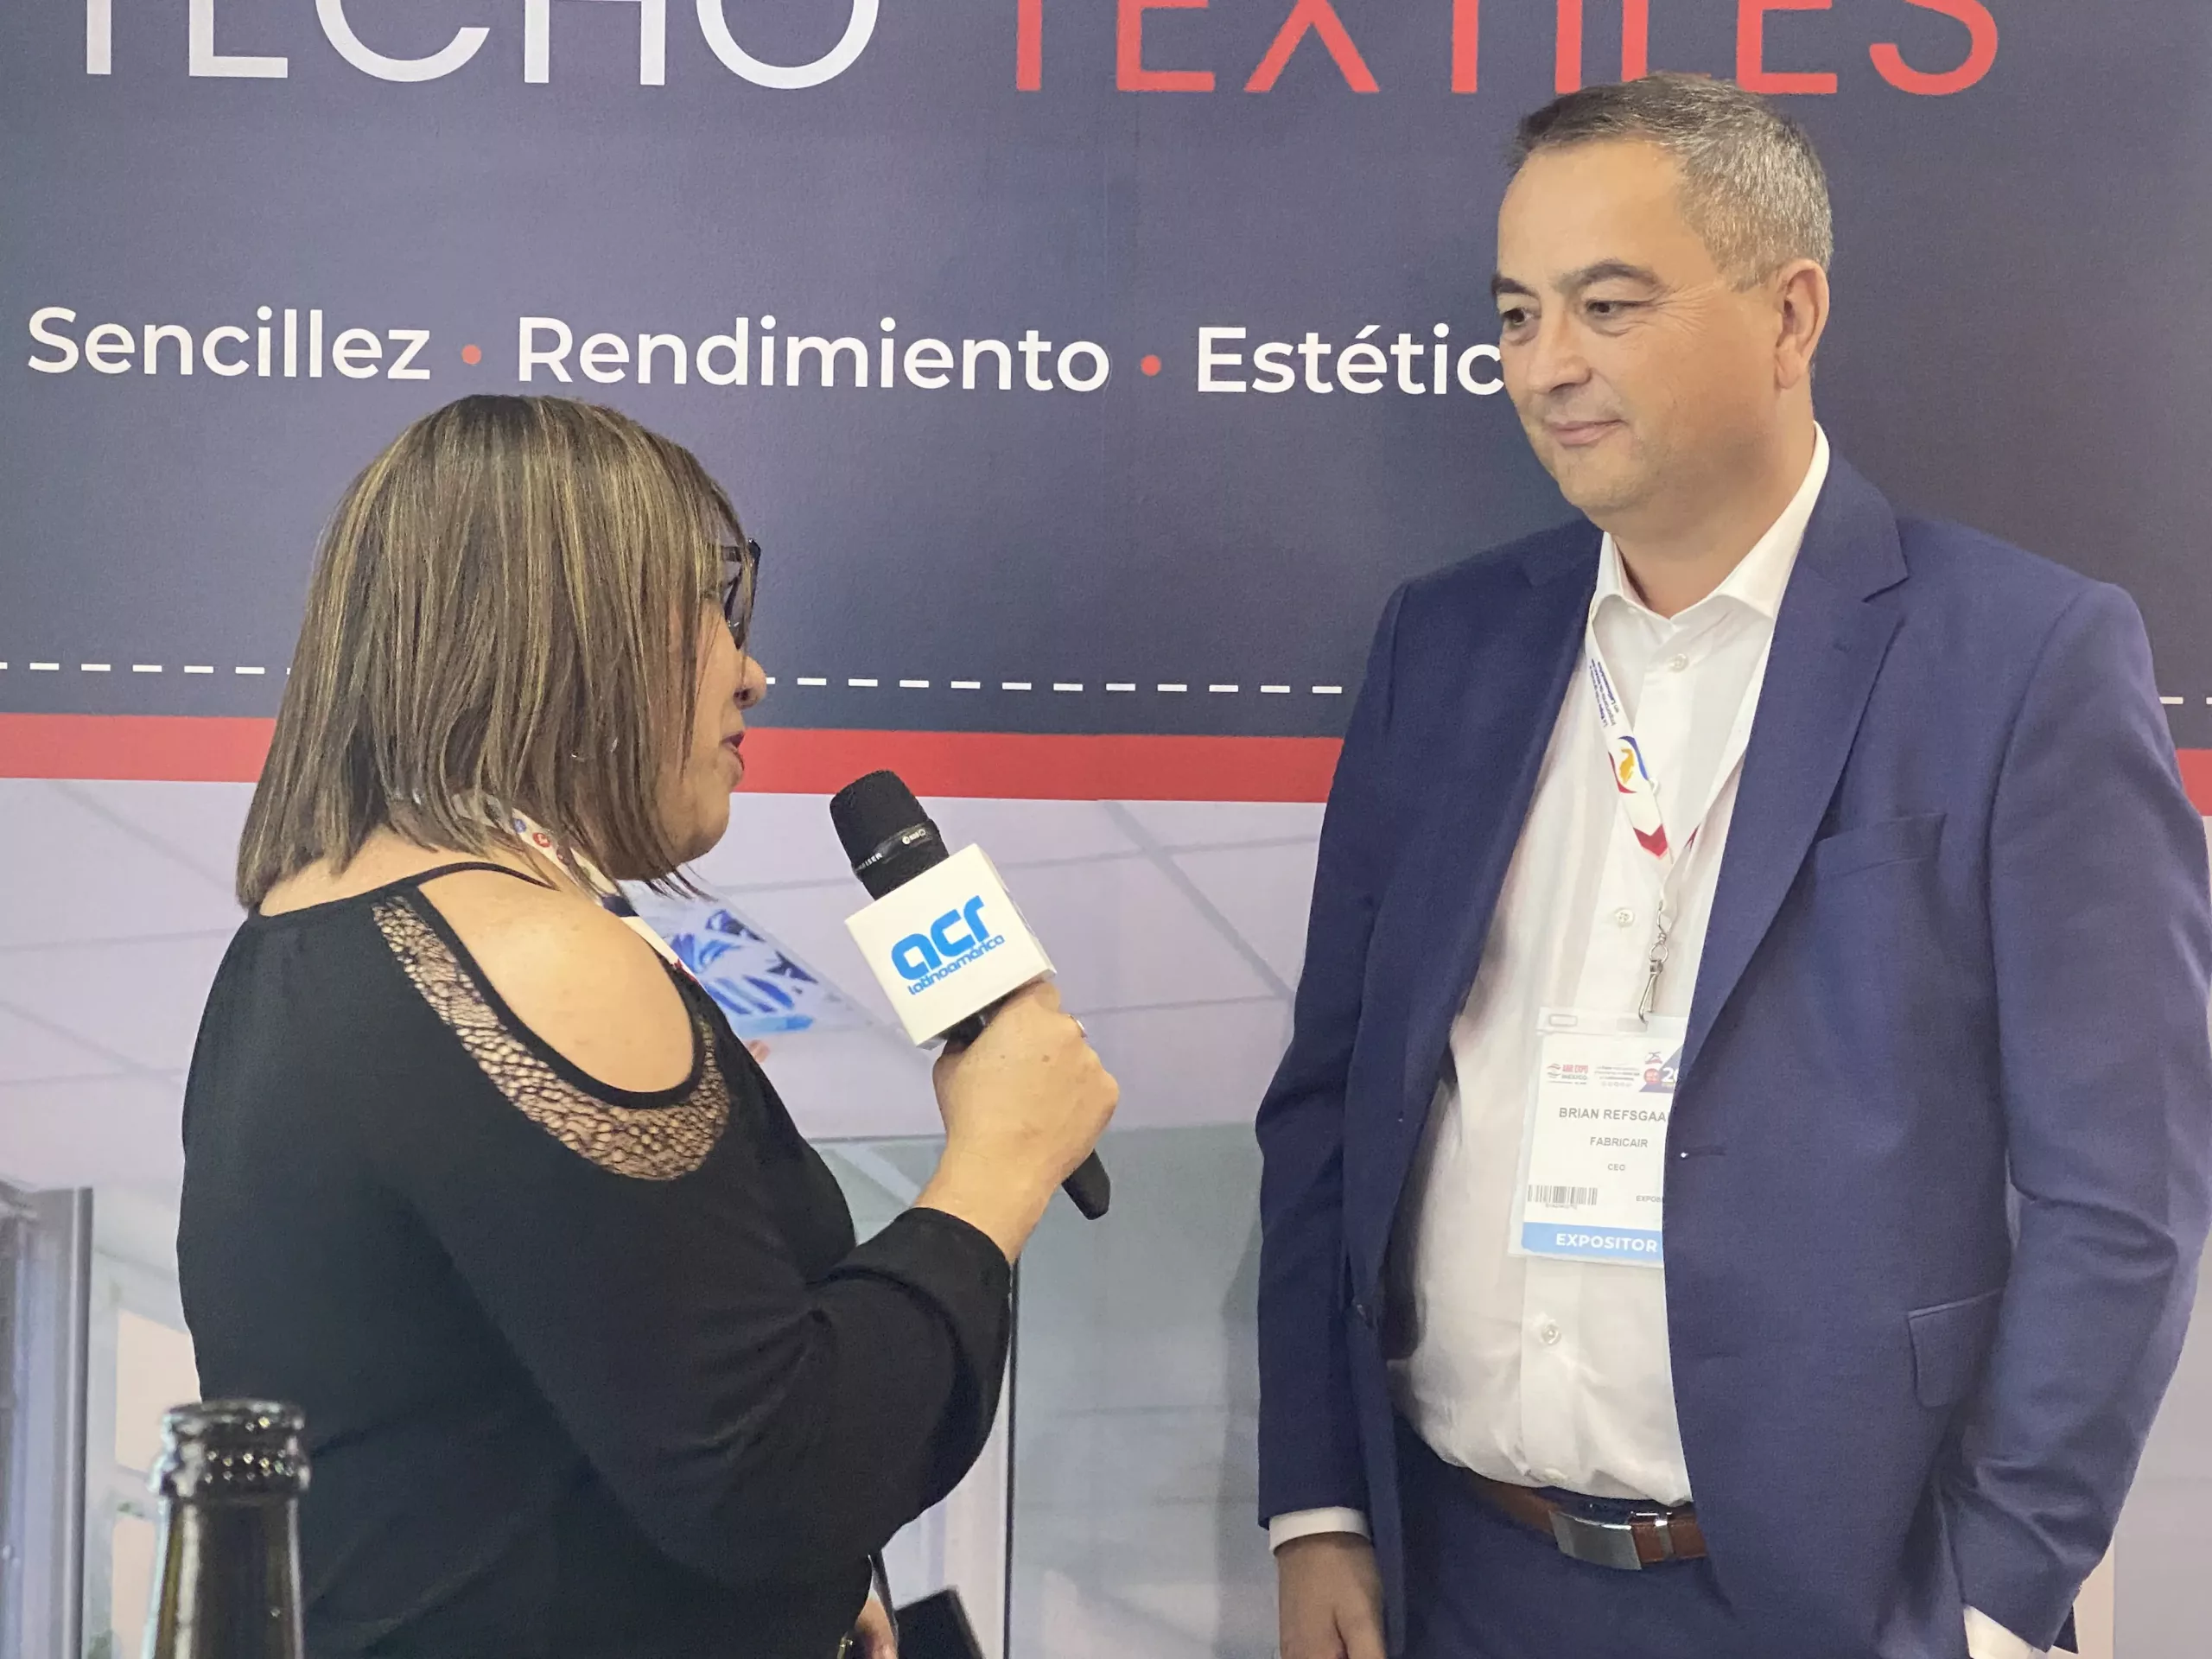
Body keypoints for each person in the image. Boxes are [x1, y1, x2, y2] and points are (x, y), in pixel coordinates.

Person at [1257, 74, 2212, 1659]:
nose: (1546, 365)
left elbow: (2125, 1194)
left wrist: (1989, 1603)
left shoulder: (2023, 658)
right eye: (1516, 315)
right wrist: (1321, 1506)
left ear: (1790, 315)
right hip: (1457, 1573)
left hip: (1838, 1602)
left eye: (1608, 305)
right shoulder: (1448, 645)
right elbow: (1330, 1102)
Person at [178, 394, 1118, 1659]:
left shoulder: (291, 948)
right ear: (574, 626)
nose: (751, 672)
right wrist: (996, 1174)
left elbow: (526, 1423)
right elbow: (770, 1483)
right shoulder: (537, 954)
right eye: (710, 610)